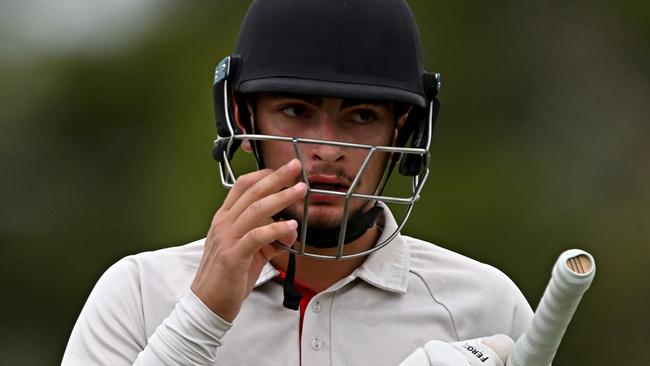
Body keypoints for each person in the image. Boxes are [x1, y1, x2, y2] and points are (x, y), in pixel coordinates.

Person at [63, 1, 533, 365]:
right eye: (296, 111)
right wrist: (200, 318)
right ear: (242, 119)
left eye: (362, 115)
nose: (327, 149)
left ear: (403, 132)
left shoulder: (484, 306)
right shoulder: (139, 293)